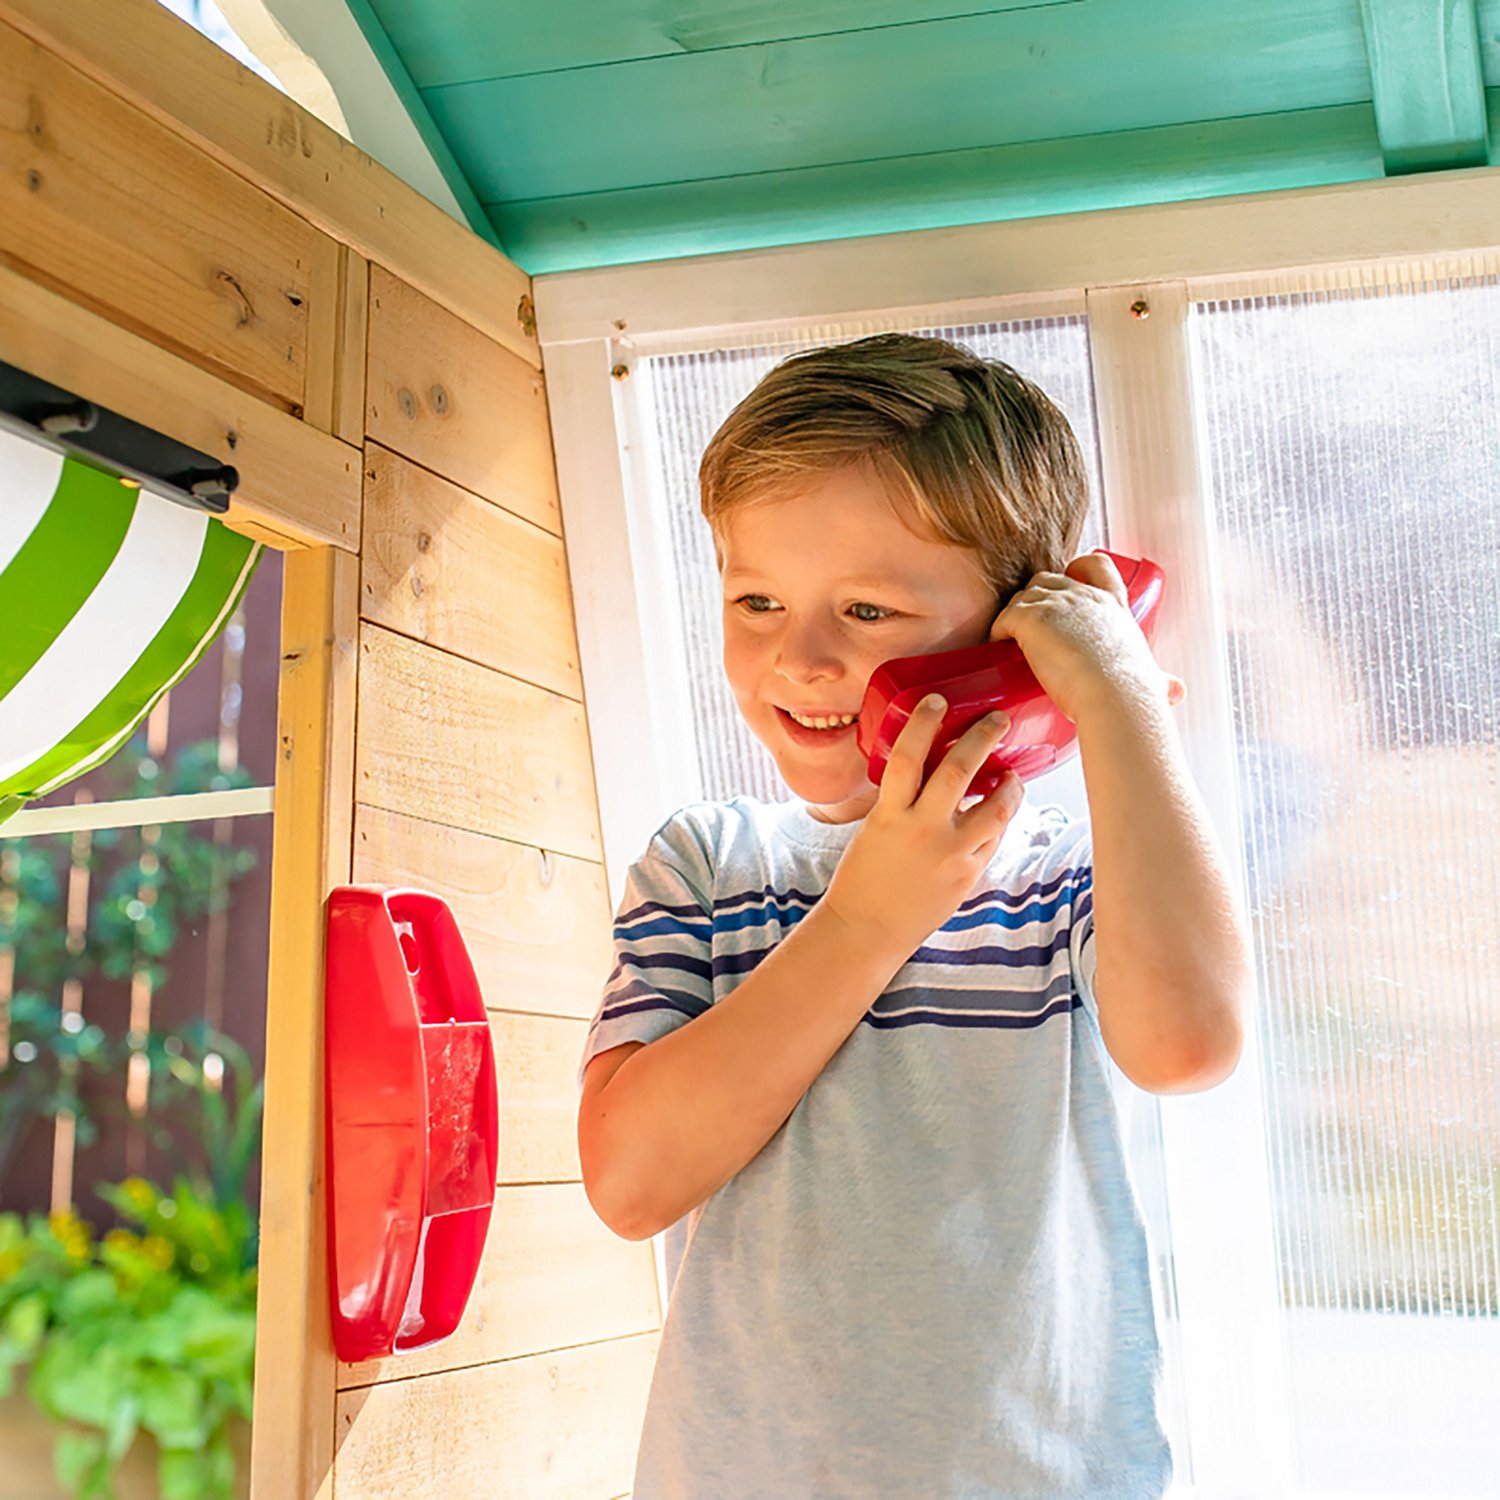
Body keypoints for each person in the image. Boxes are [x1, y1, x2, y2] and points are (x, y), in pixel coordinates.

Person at [575, 332, 1250, 1499]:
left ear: (1016, 638)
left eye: (871, 609)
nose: (801, 656)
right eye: (757, 599)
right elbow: (630, 1181)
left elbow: (1189, 1042)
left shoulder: (1078, 871)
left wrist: (1121, 696)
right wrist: (868, 915)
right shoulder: (706, 864)